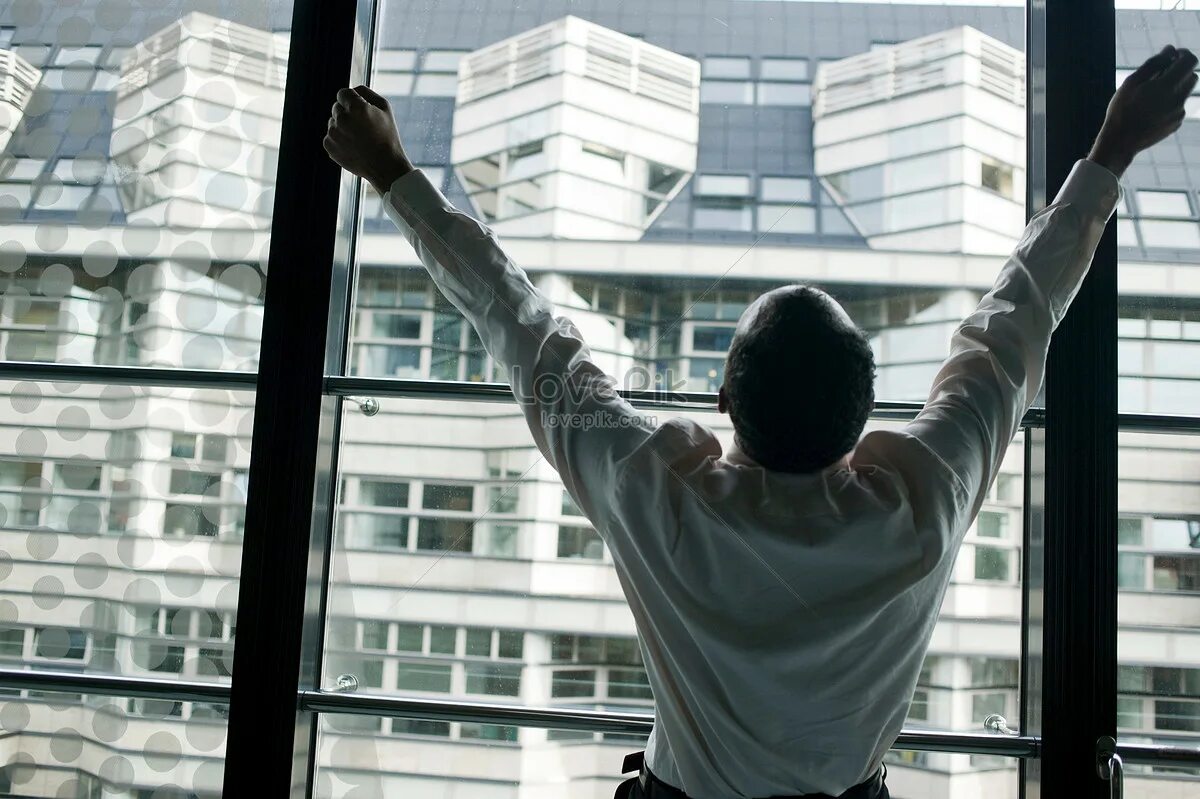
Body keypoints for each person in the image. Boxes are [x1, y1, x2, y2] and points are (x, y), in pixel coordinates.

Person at [323, 44, 1196, 799]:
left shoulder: (652, 495)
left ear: (722, 402)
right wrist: (1111, 147)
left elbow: (517, 325)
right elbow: (1020, 316)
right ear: (864, 416)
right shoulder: (924, 501)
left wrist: (393, 173)